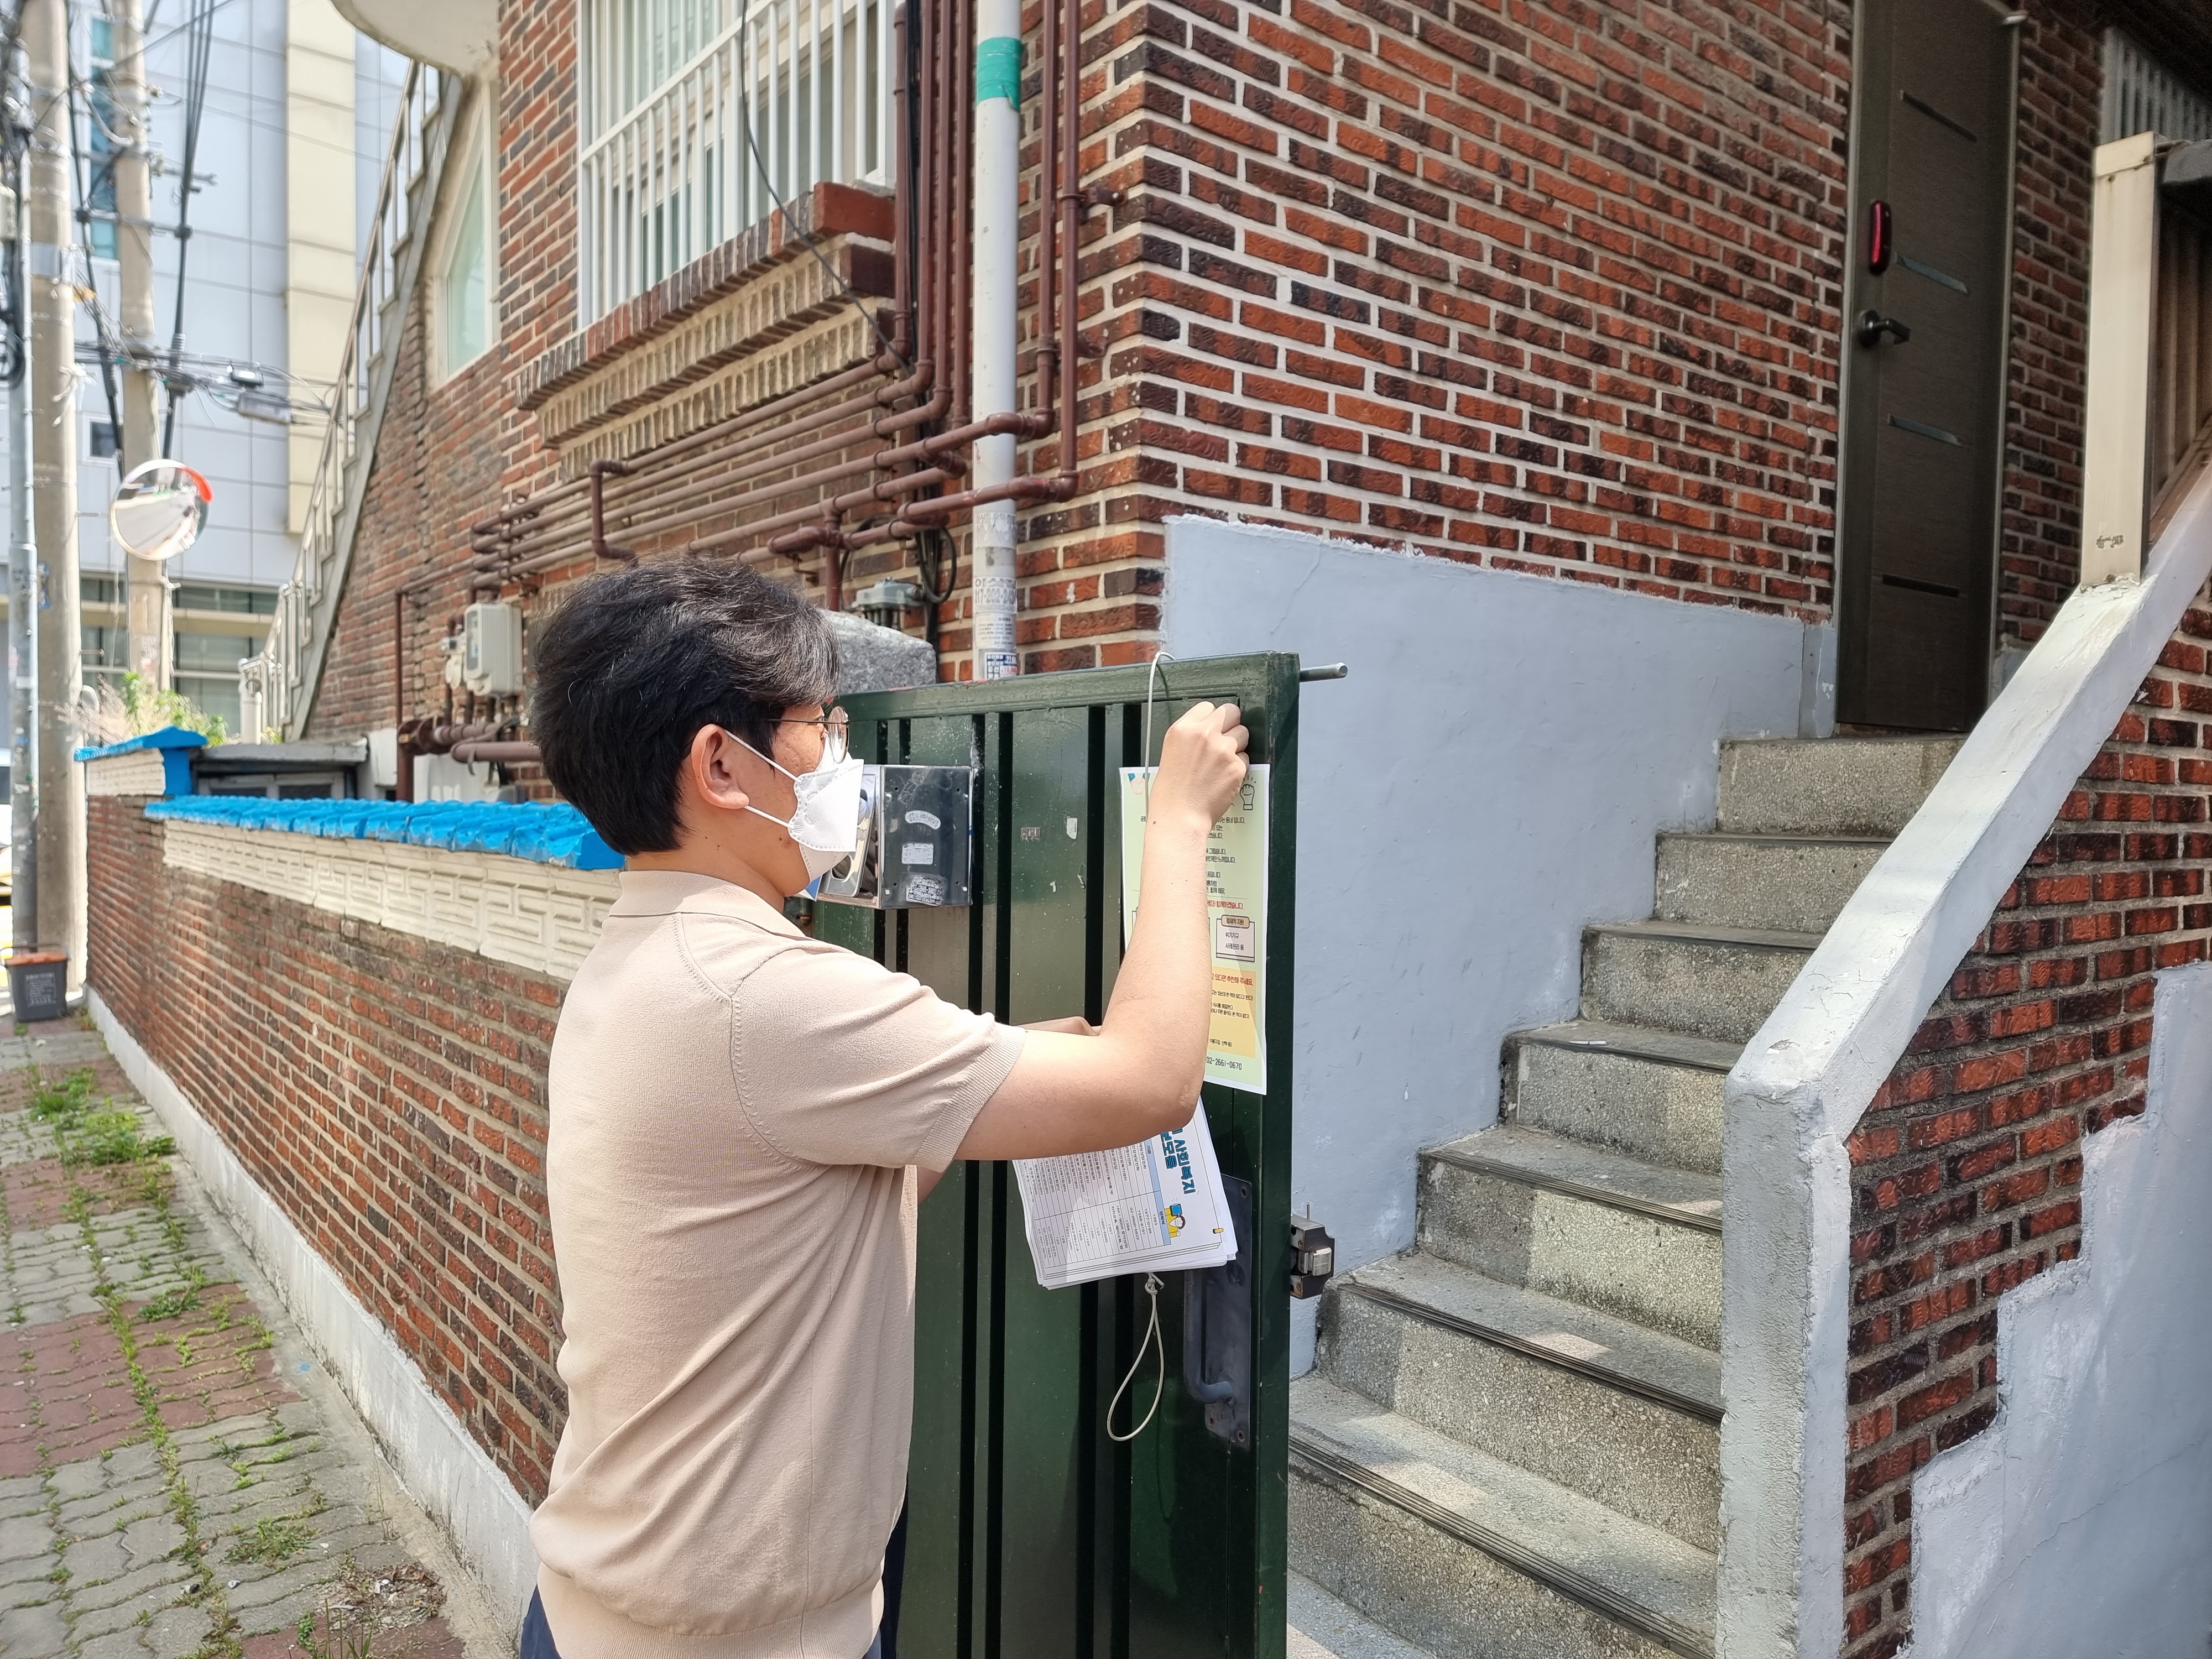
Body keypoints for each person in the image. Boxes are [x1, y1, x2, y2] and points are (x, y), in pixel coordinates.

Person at [518, 559, 1249, 1658]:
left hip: (622, 1611)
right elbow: (1150, 1082)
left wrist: (994, 1070)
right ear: (722, 765)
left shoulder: (648, 959)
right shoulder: (763, 994)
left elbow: (807, 1192)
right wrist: (1180, 818)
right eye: (821, 726)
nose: (843, 758)